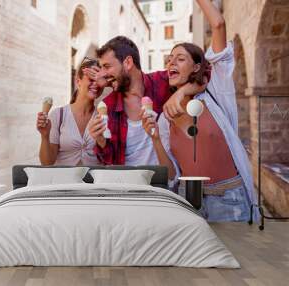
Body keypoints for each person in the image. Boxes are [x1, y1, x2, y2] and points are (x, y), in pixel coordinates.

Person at [141, 0, 257, 222]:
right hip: (188, 201)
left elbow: (219, 25)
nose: (171, 62)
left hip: (228, 201)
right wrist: (155, 138)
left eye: (180, 58)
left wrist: (183, 90)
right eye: (170, 59)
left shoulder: (216, 92)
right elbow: (173, 174)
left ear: (196, 67)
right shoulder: (165, 118)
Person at [86, 36, 205, 172]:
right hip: (129, 186)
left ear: (128, 63)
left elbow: (204, 73)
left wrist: (181, 92)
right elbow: (110, 161)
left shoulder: (162, 82)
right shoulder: (108, 105)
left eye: (107, 66)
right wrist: (101, 141)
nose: (102, 74)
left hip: (165, 182)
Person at [36, 57, 102, 166]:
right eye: (91, 79)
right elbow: (47, 162)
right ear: (78, 81)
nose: (95, 84)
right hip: (64, 181)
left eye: (99, 80)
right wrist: (45, 136)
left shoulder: (103, 117)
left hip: (94, 182)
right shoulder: (58, 115)